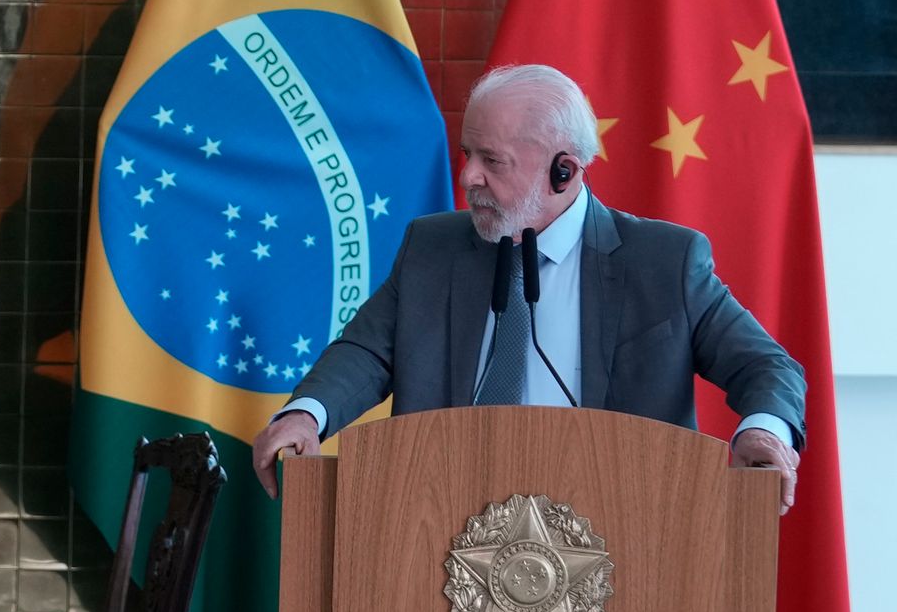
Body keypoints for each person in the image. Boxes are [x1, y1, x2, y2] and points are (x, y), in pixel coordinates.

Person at [255, 61, 800, 503]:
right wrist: (307, 413)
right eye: (469, 154)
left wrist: (763, 429)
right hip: (441, 516)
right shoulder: (433, 248)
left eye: (493, 160)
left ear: (565, 170)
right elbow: (367, 352)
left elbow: (766, 365)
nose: (468, 177)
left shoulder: (664, 262)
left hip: (618, 522)